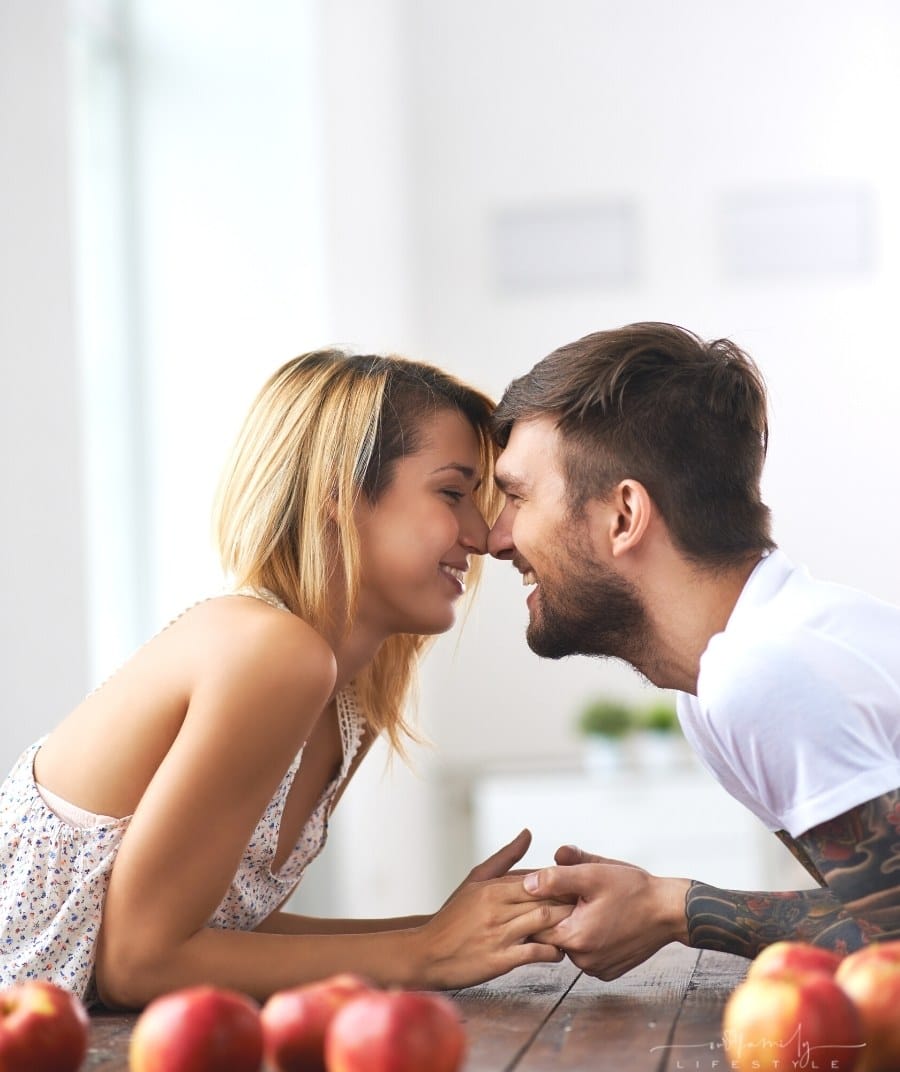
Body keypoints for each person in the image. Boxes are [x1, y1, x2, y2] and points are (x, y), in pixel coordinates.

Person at [0, 350, 569, 1008]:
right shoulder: (270, 652)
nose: (481, 533)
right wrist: (424, 951)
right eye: (452, 492)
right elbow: (140, 963)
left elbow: (217, 938)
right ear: (337, 496)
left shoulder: (354, 702)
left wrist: (463, 927)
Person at [487, 321, 900, 979]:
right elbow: (873, 914)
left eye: (516, 496)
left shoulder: (762, 671)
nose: (495, 538)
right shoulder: (713, 690)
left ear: (623, 517)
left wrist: (668, 907)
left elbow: (892, 942)